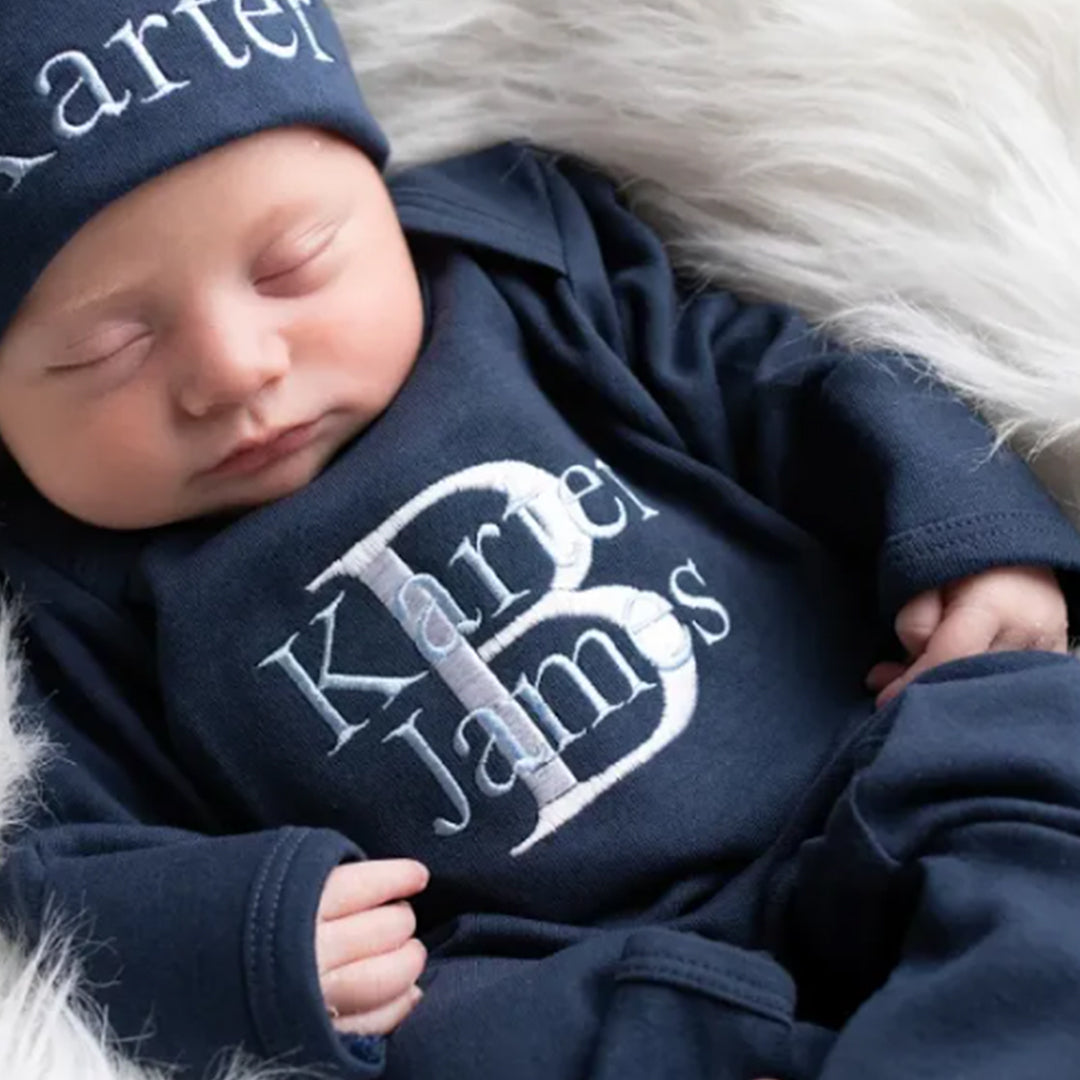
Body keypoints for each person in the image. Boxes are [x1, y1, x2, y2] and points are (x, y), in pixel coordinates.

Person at [2, 2, 1080, 1078]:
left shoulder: (514, 266)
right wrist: (242, 935)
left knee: (1024, 724)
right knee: (459, 1046)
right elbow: (53, 868)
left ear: (375, 193)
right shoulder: (61, 595)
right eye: (108, 349)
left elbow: (792, 382)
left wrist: (967, 534)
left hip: (860, 745)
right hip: (560, 974)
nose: (236, 367)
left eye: (294, 264)